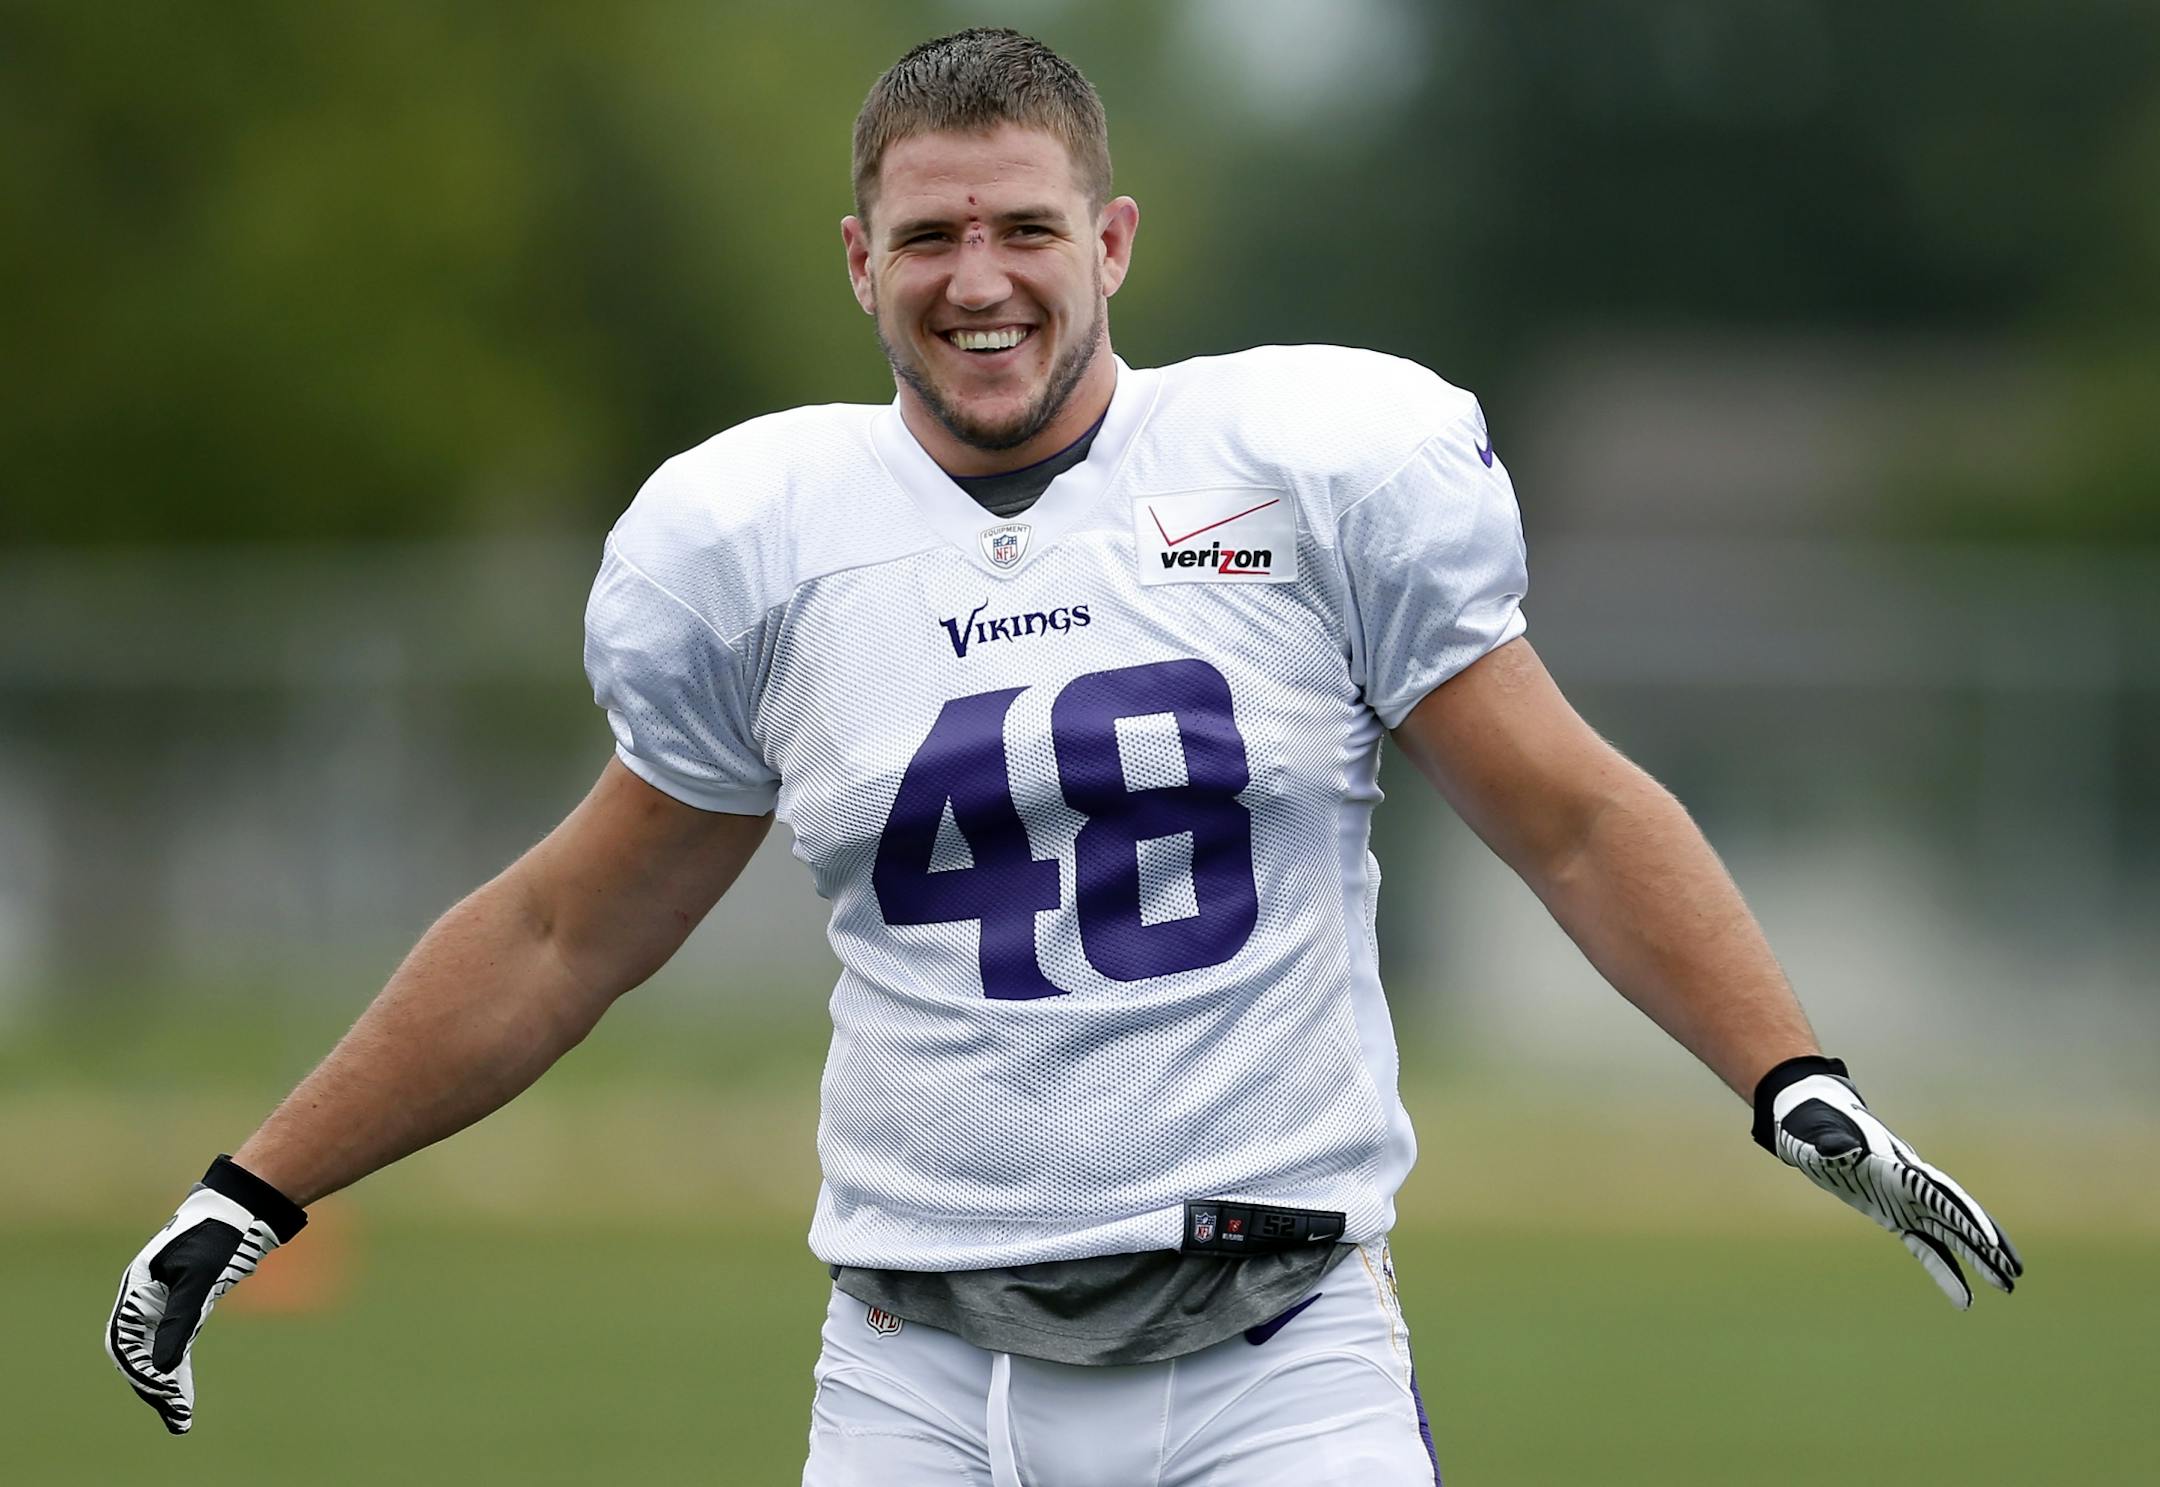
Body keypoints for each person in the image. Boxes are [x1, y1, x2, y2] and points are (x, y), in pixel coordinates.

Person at [106, 28, 2020, 1483]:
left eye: (1025, 228)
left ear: (1110, 241)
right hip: (917, 1379)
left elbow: (1574, 818)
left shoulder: (1307, 470)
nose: (980, 279)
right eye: (930, 236)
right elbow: (560, 933)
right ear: (859, 261)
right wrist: (253, 1190)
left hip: (1279, 1360)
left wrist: (1792, 1081)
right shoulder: (757, 542)